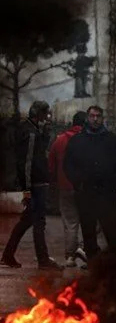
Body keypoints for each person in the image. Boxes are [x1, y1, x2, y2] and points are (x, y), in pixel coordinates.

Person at [1, 101, 61, 270]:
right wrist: (26, 190)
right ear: (39, 114)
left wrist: (45, 134)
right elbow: (26, 163)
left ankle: (8, 255)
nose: (47, 117)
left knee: (27, 220)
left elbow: (36, 154)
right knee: (39, 222)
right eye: (45, 114)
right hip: (36, 184)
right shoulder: (31, 133)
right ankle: (43, 260)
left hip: (35, 183)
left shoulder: (31, 130)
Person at [63, 105, 116, 257]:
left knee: (113, 233)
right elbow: (68, 165)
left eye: (98, 116)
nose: (95, 119)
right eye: (92, 116)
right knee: (89, 234)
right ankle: (93, 265)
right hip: (86, 194)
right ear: (87, 118)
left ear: (102, 118)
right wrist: (78, 183)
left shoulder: (111, 140)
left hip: (108, 194)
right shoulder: (77, 140)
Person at [49, 110, 88, 268]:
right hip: (85, 188)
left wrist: (56, 181)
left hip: (65, 187)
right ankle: (85, 249)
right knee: (91, 221)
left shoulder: (59, 140)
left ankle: (70, 257)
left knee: (70, 223)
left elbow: (51, 165)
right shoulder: (89, 141)